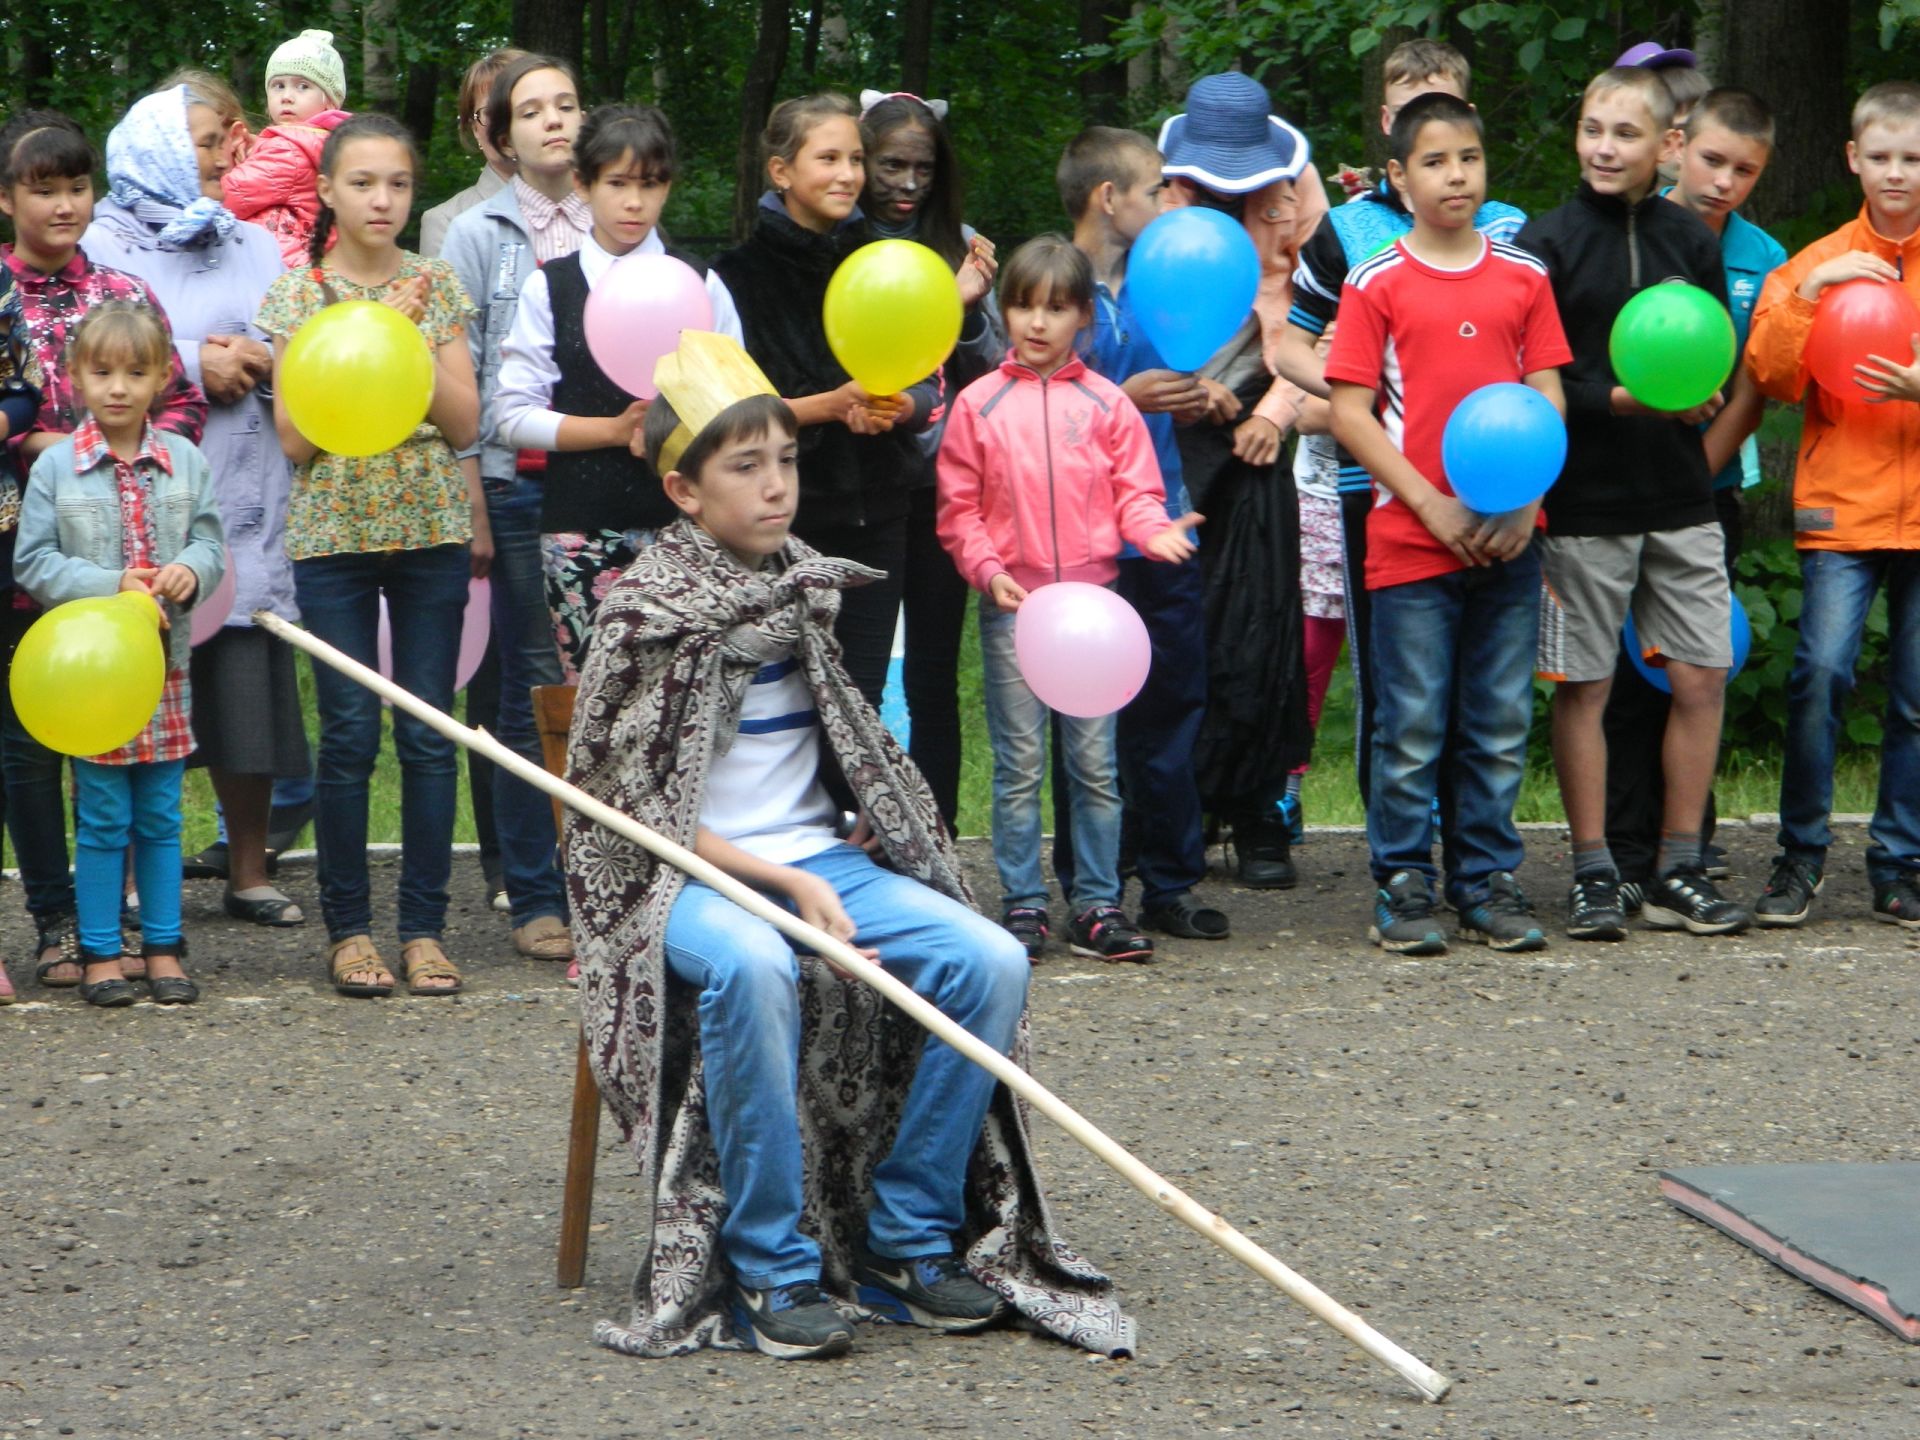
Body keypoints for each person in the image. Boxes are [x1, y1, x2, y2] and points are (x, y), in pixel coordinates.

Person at [564, 329, 1132, 1361]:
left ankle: (906, 1236)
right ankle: (771, 1268)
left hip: (820, 858)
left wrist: (863, 811)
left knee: (988, 957)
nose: (777, 484)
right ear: (686, 491)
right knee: (752, 960)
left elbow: (845, 736)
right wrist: (784, 882)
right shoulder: (646, 612)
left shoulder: (807, 588)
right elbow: (629, 808)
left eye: (785, 459)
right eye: (747, 466)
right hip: (681, 878)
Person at [1325, 93, 1572, 955]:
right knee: (1414, 721)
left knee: (1500, 719)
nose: (1455, 175)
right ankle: (1403, 883)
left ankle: (1486, 881)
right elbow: (1351, 413)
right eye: (1433, 161)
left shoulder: (1525, 276)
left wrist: (1523, 509)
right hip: (1408, 541)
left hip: (1509, 540)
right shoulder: (1375, 281)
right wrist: (1427, 502)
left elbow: (1545, 398)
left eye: (1467, 157)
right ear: (1397, 177)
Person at [1517, 67, 1751, 940]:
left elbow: (1713, 354)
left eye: (1625, 133)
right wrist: (1620, 399)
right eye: (1591, 129)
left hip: (1682, 498)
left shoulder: (1692, 239)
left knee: (1701, 674)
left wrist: (1704, 396)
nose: (1604, 148)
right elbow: (1542, 380)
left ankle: (1679, 866)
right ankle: (1593, 872)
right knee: (1584, 685)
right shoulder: (1546, 243)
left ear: (1668, 147)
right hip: (1583, 504)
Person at [256, 113, 486, 998]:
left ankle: (423, 929)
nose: (381, 199)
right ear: (326, 192)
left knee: (430, 732)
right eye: (362, 183)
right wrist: (364, 349)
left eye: (396, 182)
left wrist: (406, 343)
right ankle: (349, 932)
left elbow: (467, 422)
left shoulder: (437, 285)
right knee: (349, 736)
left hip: (428, 527)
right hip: (334, 541)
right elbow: (295, 440)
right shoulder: (298, 295)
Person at [1275, 40, 1526, 838]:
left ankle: (1475, 854)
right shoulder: (1346, 235)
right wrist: (1359, 392)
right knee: (1397, 686)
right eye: (1411, 115)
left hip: (1497, 486)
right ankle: (1401, 862)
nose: (1445, 160)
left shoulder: (1514, 233)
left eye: (1449, 114)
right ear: (1390, 136)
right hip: (1375, 485)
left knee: (1485, 690)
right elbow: (1289, 345)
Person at [82, 82, 311, 930]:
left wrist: (267, 354)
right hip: (141, 494)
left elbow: (303, 345)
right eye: (210, 142)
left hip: (244, 491)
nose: (227, 157)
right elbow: (95, 349)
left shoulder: (256, 242)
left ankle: (249, 866)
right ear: (161, 151)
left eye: (226, 140)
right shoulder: (106, 241)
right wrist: (189, 359)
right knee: (144, 689)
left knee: (247, 685)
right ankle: (140, 876)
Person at [938, 237, 1200, 963]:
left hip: (1093, 613)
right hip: (1014, 609)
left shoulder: (1108, 402)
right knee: (1019, 762)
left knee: (1095, 764)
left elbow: (1137, 494)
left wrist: (1155, 535)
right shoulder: (978, 405)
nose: (1038, 322)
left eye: (1056, 308)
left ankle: (1097, 903)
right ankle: (1023, 903)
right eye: (1023, 304)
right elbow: (958, 510)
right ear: (1004, 309)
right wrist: (989, 571)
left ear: (1084, 316)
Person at [1, 109, 206, 992]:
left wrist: (120, 454)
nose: (63, 204)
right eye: (43, 189)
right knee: (25, 741)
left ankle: (117, 925)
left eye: (77, 187)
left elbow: (185, 407)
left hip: (125, 557)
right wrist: (40, 448)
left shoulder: (123, 293)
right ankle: (56, 916)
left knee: (121, 752)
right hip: (24, 542)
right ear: (9, 198)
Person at [1601, 88, 1787, 906]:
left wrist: (1690, 482)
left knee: (1692, 670)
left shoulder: (1766, 260)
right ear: (1676, 148)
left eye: (1744, 171)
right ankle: (1621, 848)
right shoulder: (1627, 236)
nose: (1724, 182)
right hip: (1605, 492)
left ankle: (1688, 847)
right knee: (1615, 676)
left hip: (1703, 493)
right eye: (1712, 161)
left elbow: (1750, 393)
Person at [16, 301, 226, 1005]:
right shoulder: (56, 469)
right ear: (76, 377)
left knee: (162, 816)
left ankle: (163, 947)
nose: (117, 387)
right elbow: (36, 563)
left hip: (164, 676)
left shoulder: (186, 461)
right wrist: (112, 584)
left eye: (135, 373)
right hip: (93, 680)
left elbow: (209, 542)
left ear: (162, 378)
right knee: (103, 817)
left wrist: (192, 571)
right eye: (101, 371)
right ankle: (102, 951)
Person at [1746, 80, 1920, 931]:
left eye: (1913, 158)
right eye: (1881, 156)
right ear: (1853, 158)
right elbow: (1771, 376)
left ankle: (1898, 864)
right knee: (1819, 677)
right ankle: (1799, 859)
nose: (1897, 173)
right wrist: (1815, 292)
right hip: (1840, 511)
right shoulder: (1810, 262)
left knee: (1918, 699)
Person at [492, 102, 742, 676]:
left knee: (691, 699)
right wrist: (611, 430)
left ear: (668, 186)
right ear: (582, 183)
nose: (634, 202)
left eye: (650, 185)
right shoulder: (549, 287)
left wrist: (675, 431)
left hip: (692, 525)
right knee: (594, 705)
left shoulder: (701, 284)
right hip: (580, 526)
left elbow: (739, 408)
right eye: (618, 183)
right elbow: (511, 415)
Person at [712, 93, 938, 712]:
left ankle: (853, 814)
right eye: (829, 158)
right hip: (785, 518)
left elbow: (922, 379)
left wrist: (896, 406)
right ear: (782, 171)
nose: (848, 174)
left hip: (880, 513)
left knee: (860, 705)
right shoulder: (736, 276)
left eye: (857, 159)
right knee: (786, 703)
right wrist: (829, 407)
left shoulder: (883, 262)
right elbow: (729, 415)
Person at [1055, 125, 1225, 942]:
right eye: (1157, 188)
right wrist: (1132, 396)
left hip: (1163, 525)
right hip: (1082, 541)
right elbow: (1040, 405)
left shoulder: (1168, 276)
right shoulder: (1051, 288)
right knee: (1090, 724)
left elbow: (1182, 368)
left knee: (1173, 705)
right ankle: (1092, 884)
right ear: (1107, 198)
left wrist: (1196, 396)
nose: (1171, 202)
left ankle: (1170, 880)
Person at [1155, 71, 1323, 888]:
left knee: (1260, 626)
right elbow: (1136, 330)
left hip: (1257, 443)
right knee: (1186, 629)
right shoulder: (1165, 217)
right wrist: (1184, 398)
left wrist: (1274, 412)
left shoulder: (1290, 210)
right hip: (1172, 448)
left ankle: (1258, 810)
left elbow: (1319, 327)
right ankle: (1185, 808)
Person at [441, 52, 590, 966]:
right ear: (500, 133)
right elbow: (466, 375)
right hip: (516, 479)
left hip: (613, 480)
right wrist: (476, 502)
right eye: (530, 110)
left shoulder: (615, 216)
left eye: (566, 104)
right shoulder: (473, 231)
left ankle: (614, 879)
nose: (552, 121)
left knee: (613, 679)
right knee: (529, 686)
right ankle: (535, 893)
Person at [857, 89, 1000, 829]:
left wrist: (971, 308)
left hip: (944, 489)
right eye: (891, 165)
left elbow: (995, 366)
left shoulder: (963, 242)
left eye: (922, 168)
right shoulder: (842, 238)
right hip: (861, 485)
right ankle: (862, 837)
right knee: (859, 670)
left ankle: (937, 835)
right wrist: (947, 297)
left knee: (933, 676)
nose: (907, 183)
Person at [221, 29, 351, 269]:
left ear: (330, 101)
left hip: (277, 266)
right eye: (278, 86)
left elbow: (229, 195)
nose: (287, 97)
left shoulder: (289, 151)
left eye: (302, 87)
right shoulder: (325, 143)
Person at [419, 47, 527, 258]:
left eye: (521, 106)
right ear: (474, 129)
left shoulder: (589, 203)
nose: (508, 120)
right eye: (492, 111)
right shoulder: (446, 221)